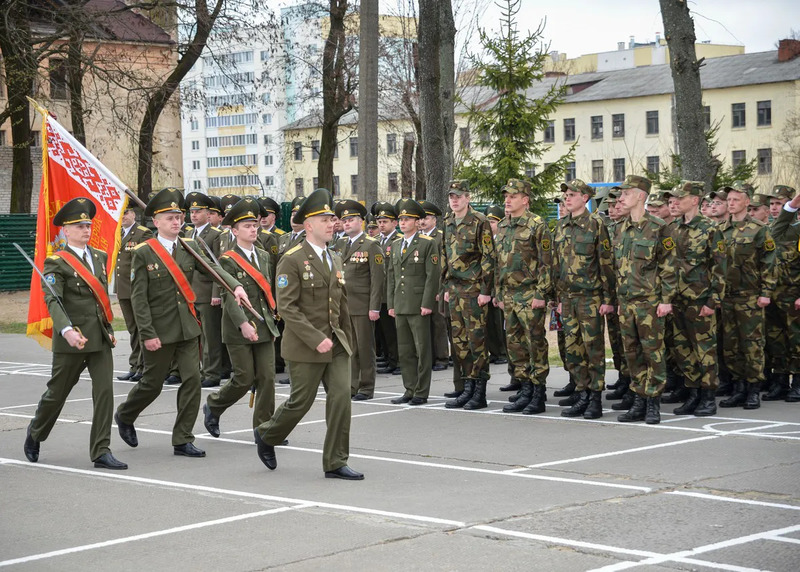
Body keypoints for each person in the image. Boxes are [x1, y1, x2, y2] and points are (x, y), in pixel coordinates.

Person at [115, 188, 248, 457]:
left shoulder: (190, 246)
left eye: (179, 217)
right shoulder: (144, 253)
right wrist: (147, 334)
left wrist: (234, 286)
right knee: (152, 384)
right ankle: (125, 414)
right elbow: (139, 300)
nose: (177, 222)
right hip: (159, 330)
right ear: (156, 222)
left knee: (191, 380)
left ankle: (182, 438)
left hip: (187, 327)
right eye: (170, 218)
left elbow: (214, 270)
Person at [253, 188, 362, 480]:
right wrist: (316, 338)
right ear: (309, 224)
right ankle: (267, 434)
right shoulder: (292, 259)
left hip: (336, 343)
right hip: (306, 345)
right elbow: (287, 308)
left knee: (341, 398)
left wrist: (348, 341)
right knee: (300, 402)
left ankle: (336, 461)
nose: (332, 223)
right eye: (325, 219)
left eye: (332, 218)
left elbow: (341, 304)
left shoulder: (335, 258)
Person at [25, 198, 127, 469]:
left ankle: (101, 450)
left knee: (105, 392)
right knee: (57, 393)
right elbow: (53, 300)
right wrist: (67, 330)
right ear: (65, 230)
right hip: (73, 339)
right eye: (79, 225)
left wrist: (108, 328)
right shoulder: (56, 262)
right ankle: (36, 432)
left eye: (88, 225)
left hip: (99, 338)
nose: (85, 229)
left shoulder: (100, 257)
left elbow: (100, 298)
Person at [203, 198, 281, 437]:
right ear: (235, 231)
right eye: (247, 226)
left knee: (267, 378)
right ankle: (214, 405)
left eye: (255, 225)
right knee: (244, 378)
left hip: (264, 324)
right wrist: (244, 324)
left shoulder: (264, 255)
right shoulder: (227, 259)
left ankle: (263, 428)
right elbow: (229, 297)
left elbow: (265, 289)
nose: (253, 229)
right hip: (239, 327)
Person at [612, 175, 677, 424]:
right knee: (632, 353)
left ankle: (653, 402)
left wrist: (666, 299)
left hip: (650, 302)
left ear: (640, 195)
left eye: (626, 193)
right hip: (626, 302)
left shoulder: (659, 227)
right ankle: (638, 398)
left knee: (654, 353)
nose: (621, 198)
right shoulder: (621, 228)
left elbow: (669, 267)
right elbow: (618, 268)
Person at [551, 180, 616, 419]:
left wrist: (608, 299)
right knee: (573, 350)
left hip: (590, 298)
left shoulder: (596, 225)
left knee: (593, 350)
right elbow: (555, 265)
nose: (567, 198)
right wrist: (556, 298)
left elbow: (606, 264)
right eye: (565, 195)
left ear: (585, 198)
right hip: (567, 298)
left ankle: (595, 397)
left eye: (572, 194)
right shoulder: (560, 226)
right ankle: (582, 393)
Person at [662, 181, 726, 416]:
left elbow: (720, 267)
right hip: (678, 300)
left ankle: (708, 397)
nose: (675, 202)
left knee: (705, 350)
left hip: (700, 301)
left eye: (681, 198)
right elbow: (668, 267)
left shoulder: (710, 229)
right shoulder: (673, 229)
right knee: (682, 349)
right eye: (673, 199)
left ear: (695, 200)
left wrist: (713, 301)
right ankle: (693, 393)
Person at [494, 179, 552, 415]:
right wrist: (498, 291)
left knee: (535, 343)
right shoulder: (503, 225)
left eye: (513, 196)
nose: (507, 200)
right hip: (509, 294)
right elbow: (500, 262)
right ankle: (525, 387)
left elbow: (547, 263)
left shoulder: (537, 225)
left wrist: (541, 293)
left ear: (525, 199)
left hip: (530, 294)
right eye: (506, 196)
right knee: (515, 345)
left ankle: (538, 392)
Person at [717, 182, 777, 409]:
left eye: (735, 200)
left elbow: (769, 262)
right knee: (731, 347)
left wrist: (766, 292)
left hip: (750, 296)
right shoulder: (721, 229)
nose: (730, 203)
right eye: (728, 200)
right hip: (727, 297)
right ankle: (739, 388)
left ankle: (753, 389)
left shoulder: (759, 229)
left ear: (746, 202)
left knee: (752, 345)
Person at [442, 180, 496, 409]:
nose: (454, 200)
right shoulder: (448, 221)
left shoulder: (480, 222)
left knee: (477, 341)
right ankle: (467, 386)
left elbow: (488, 256)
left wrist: (485, 290)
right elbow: (445, 254)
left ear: (467, 197)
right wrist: (446, 285)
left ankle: (480, 390)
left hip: (473, 290)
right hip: (454, 289)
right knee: (459, 341)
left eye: (458, 196)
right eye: (451, 196)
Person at [386, 199, 441, 405]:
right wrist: (391, 303)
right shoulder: (395, 244)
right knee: (405, 350)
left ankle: (421, 391)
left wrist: (427, 303)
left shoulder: (428, 244)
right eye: (401, 219)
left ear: (418, 222)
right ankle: (409, 388)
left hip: (418, 304)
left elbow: (432, 276)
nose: (403, 222)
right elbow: (391, 276)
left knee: (422, 349)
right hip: (400, 304)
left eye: (407, 219)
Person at [333, 200, 385, 401]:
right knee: (349, 349)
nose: (347, 223)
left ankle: (366, 387)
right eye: (344, 220)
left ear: (361, 222)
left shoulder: (371, 245)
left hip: (363, 305)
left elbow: (377, 279)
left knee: (364, 348)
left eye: (351, 219)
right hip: (344, 305)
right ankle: (352, 385)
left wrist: (374, 307)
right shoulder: (339, 244)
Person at [182, 192, 225, 388]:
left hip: (208, 293)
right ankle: (200, 370)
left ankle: (212, 372)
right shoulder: (188, 234)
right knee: (196, 337)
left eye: (198, 211)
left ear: (208, 214)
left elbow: (218, 266)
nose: (194, 215)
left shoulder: (215, 235)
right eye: (192, 211)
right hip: (191, 292)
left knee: (211, 336)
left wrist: (217, 293)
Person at [764, 185, 799, 400]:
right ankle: (780, 381)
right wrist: (790, 206)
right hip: (774, 293)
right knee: (776, 340)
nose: (775, 208)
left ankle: (797, 382)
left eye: (780, 204)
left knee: (796, 339)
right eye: (773, 204)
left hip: (793, 293)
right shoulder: (779, 229)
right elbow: (775, 233)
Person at [116, 204, 153, 382]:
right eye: (121, 213)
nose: (123, 216)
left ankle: (144, 366)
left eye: (126, 213)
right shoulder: (118, 233)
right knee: (132, 329)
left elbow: (145, 260)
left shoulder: (142, 233)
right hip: (123, 288)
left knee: (141, 328)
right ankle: (134, 365)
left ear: (133, 214)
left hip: (137, 288)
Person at [418, 200, 451, 372]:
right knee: (425, 325)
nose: (422, 221)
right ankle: (429, 356)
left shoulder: (440, 237)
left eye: (426, 217)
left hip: (437, 286)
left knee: (438, 324)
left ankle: (442, 357)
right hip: (422, 287)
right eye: (420, 218)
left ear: (434, 220)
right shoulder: (419, 238)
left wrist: (441, 288)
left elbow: (441, 266)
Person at [374, 201, 401, 375]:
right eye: (379, 221)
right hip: (381, 293)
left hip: (394, 292)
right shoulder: (376, 241)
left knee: (396, 331)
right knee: (386, 331)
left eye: (385, 221)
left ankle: (399, 361)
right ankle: (391, 359)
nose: (381, 225)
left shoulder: (398, 240)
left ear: (394, 223)